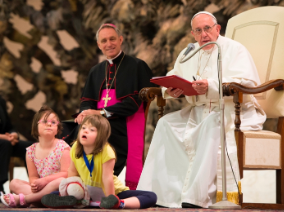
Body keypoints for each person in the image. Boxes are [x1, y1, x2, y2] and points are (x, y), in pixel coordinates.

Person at [137, 11, 267, 208]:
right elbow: (174, 75)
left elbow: (247, 83)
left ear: (217, 29)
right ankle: (162, 195)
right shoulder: (188, 52)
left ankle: (196, 198)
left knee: (211, 124)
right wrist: (171, 90)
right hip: (198, 111)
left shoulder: (234, 49)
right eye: (198, 30)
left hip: (230, 111)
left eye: (207, 28)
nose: (204, 34)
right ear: (192, 34)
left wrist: (212, 86)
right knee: (165, 123)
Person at [73, 23, 155, 190]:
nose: (108, 44)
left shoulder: (136, 66)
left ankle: (98, 183)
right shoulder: (95, 71)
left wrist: (102, 113)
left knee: (101, 132)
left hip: (122, 121)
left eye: (112, 39)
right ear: (99, 45)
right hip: (96, 121)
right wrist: (83, 113)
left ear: (120, 40)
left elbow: (133, 103)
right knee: (72, 129)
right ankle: (77, 181)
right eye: (104, 41)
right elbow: (87, 100)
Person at [41, 114, 157, 209]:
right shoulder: (76, 146)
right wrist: (67, 190)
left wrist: (111, 198)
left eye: (91, 130)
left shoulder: (107, 151)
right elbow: (72, 172)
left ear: (101, 136)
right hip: (87, 192)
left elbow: (107, 178)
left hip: (111, 192)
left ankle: (120, 203)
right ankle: (76, 200)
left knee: (151, 196)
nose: (85, 131)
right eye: (84, 128)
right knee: (52, 196)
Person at [0, 106, 71, 207]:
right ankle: (42, 199)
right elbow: (33, 176)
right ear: (35, 128)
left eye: (54, 122)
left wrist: (45, 181)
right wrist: (35, 184)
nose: (49, 124)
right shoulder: (31, 151)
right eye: (45, 121)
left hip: (57, 188)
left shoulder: (63, 148)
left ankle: (27, 199)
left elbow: (66, 174)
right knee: (14, 183)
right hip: (41, 188)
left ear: (57, 130)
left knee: (60, 181)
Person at [0, 95, 34, 194]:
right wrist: (3, 137)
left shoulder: (1, 100)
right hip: (3, 142)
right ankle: (0, 187)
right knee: (5, 144)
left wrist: (13, 135)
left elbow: (9, 126)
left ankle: (35, 184)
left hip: (6, 141)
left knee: (30, 147)